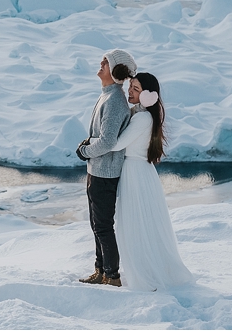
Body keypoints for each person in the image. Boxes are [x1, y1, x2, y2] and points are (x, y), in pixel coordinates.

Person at [87, 72, 194, 291]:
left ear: (148, 96)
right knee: (137, 223)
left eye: (136, 89)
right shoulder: (139, 113)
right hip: (137, 171)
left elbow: (116, 144)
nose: (130, 91)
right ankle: (143, 267)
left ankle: (144, 273)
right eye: (131, 87)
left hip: (135, 173)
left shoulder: (142, 118)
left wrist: (90, 143)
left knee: (135, 224)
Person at [76, 49, 137, 287]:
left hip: (105, 173)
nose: (100, 64)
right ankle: (100, 270)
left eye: (106, 62)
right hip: (97, 170)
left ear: (116, 71)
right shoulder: (107, 95)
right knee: (96, 224)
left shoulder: (114, 101)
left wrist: (84, 152)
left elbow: (108, 142)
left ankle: (112, 276)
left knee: (103, 226)